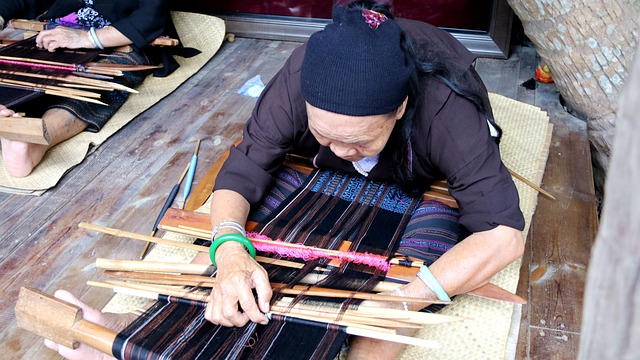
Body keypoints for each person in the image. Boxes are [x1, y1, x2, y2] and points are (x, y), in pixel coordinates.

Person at [42, 1, 525, 359]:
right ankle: (138, 335)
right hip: (318, 162)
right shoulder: (297, 79)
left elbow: (503, 234)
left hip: (417, 177)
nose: (339, 152)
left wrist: (404, 301)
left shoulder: (445, 109)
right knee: (243, 244)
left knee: (401, 296)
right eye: (324, 136)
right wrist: (230, 254)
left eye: (357, 141)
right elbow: (247, 165)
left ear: (398, 110)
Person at [0, 0, 175, 177]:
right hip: (54, 36)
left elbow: (150, 16)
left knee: (97, 82)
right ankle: (8, 118)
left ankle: (35, 142)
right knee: (20, 72)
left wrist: (86, 38)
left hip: (118, 41)